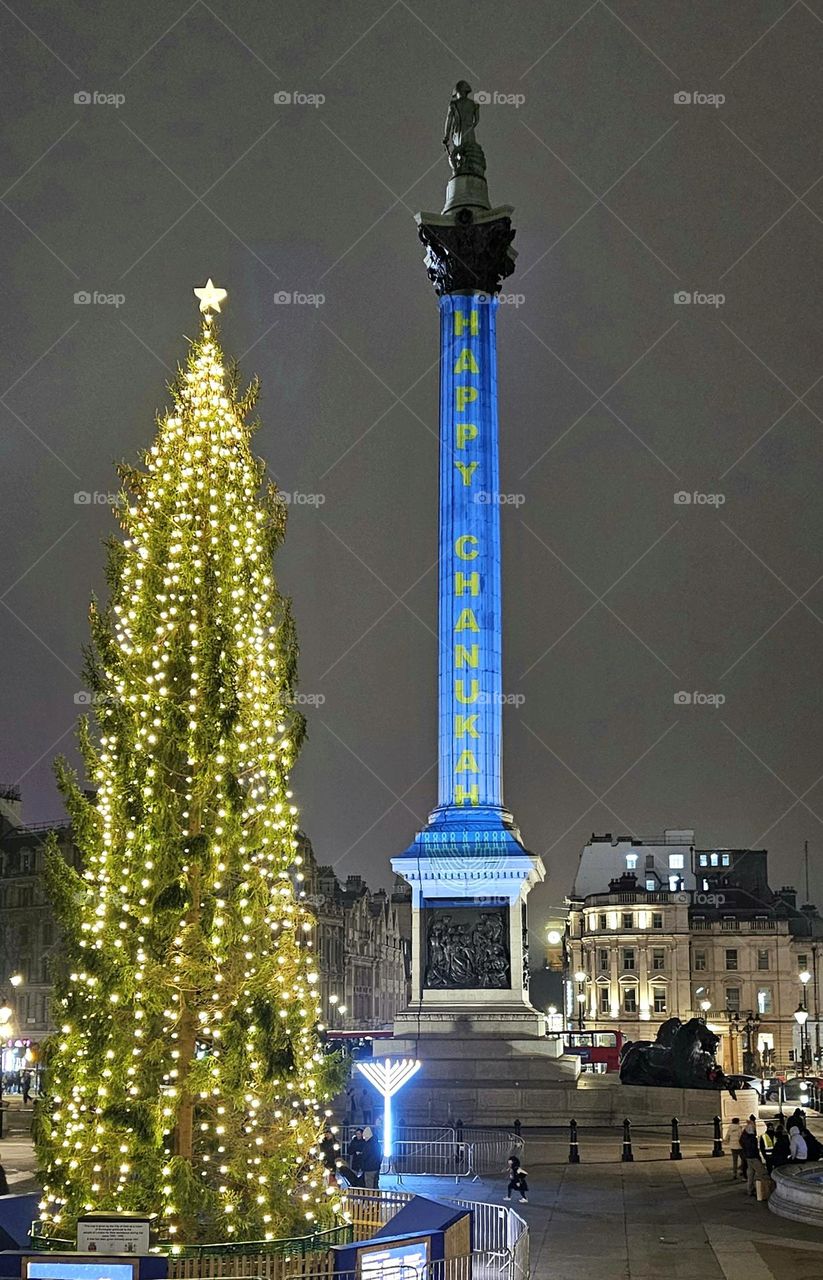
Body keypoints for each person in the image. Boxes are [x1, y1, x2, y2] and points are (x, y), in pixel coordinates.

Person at [740, 1120, 764, 1197]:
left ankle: (750, 1190)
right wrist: (758, 1158)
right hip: (753, 1157)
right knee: (762, 1173)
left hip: (748, 1157)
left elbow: (741, 1142)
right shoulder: (752, 1138)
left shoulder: (744, 1136)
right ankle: (764, 1189)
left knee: (750, 1174)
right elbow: (754, 1149)